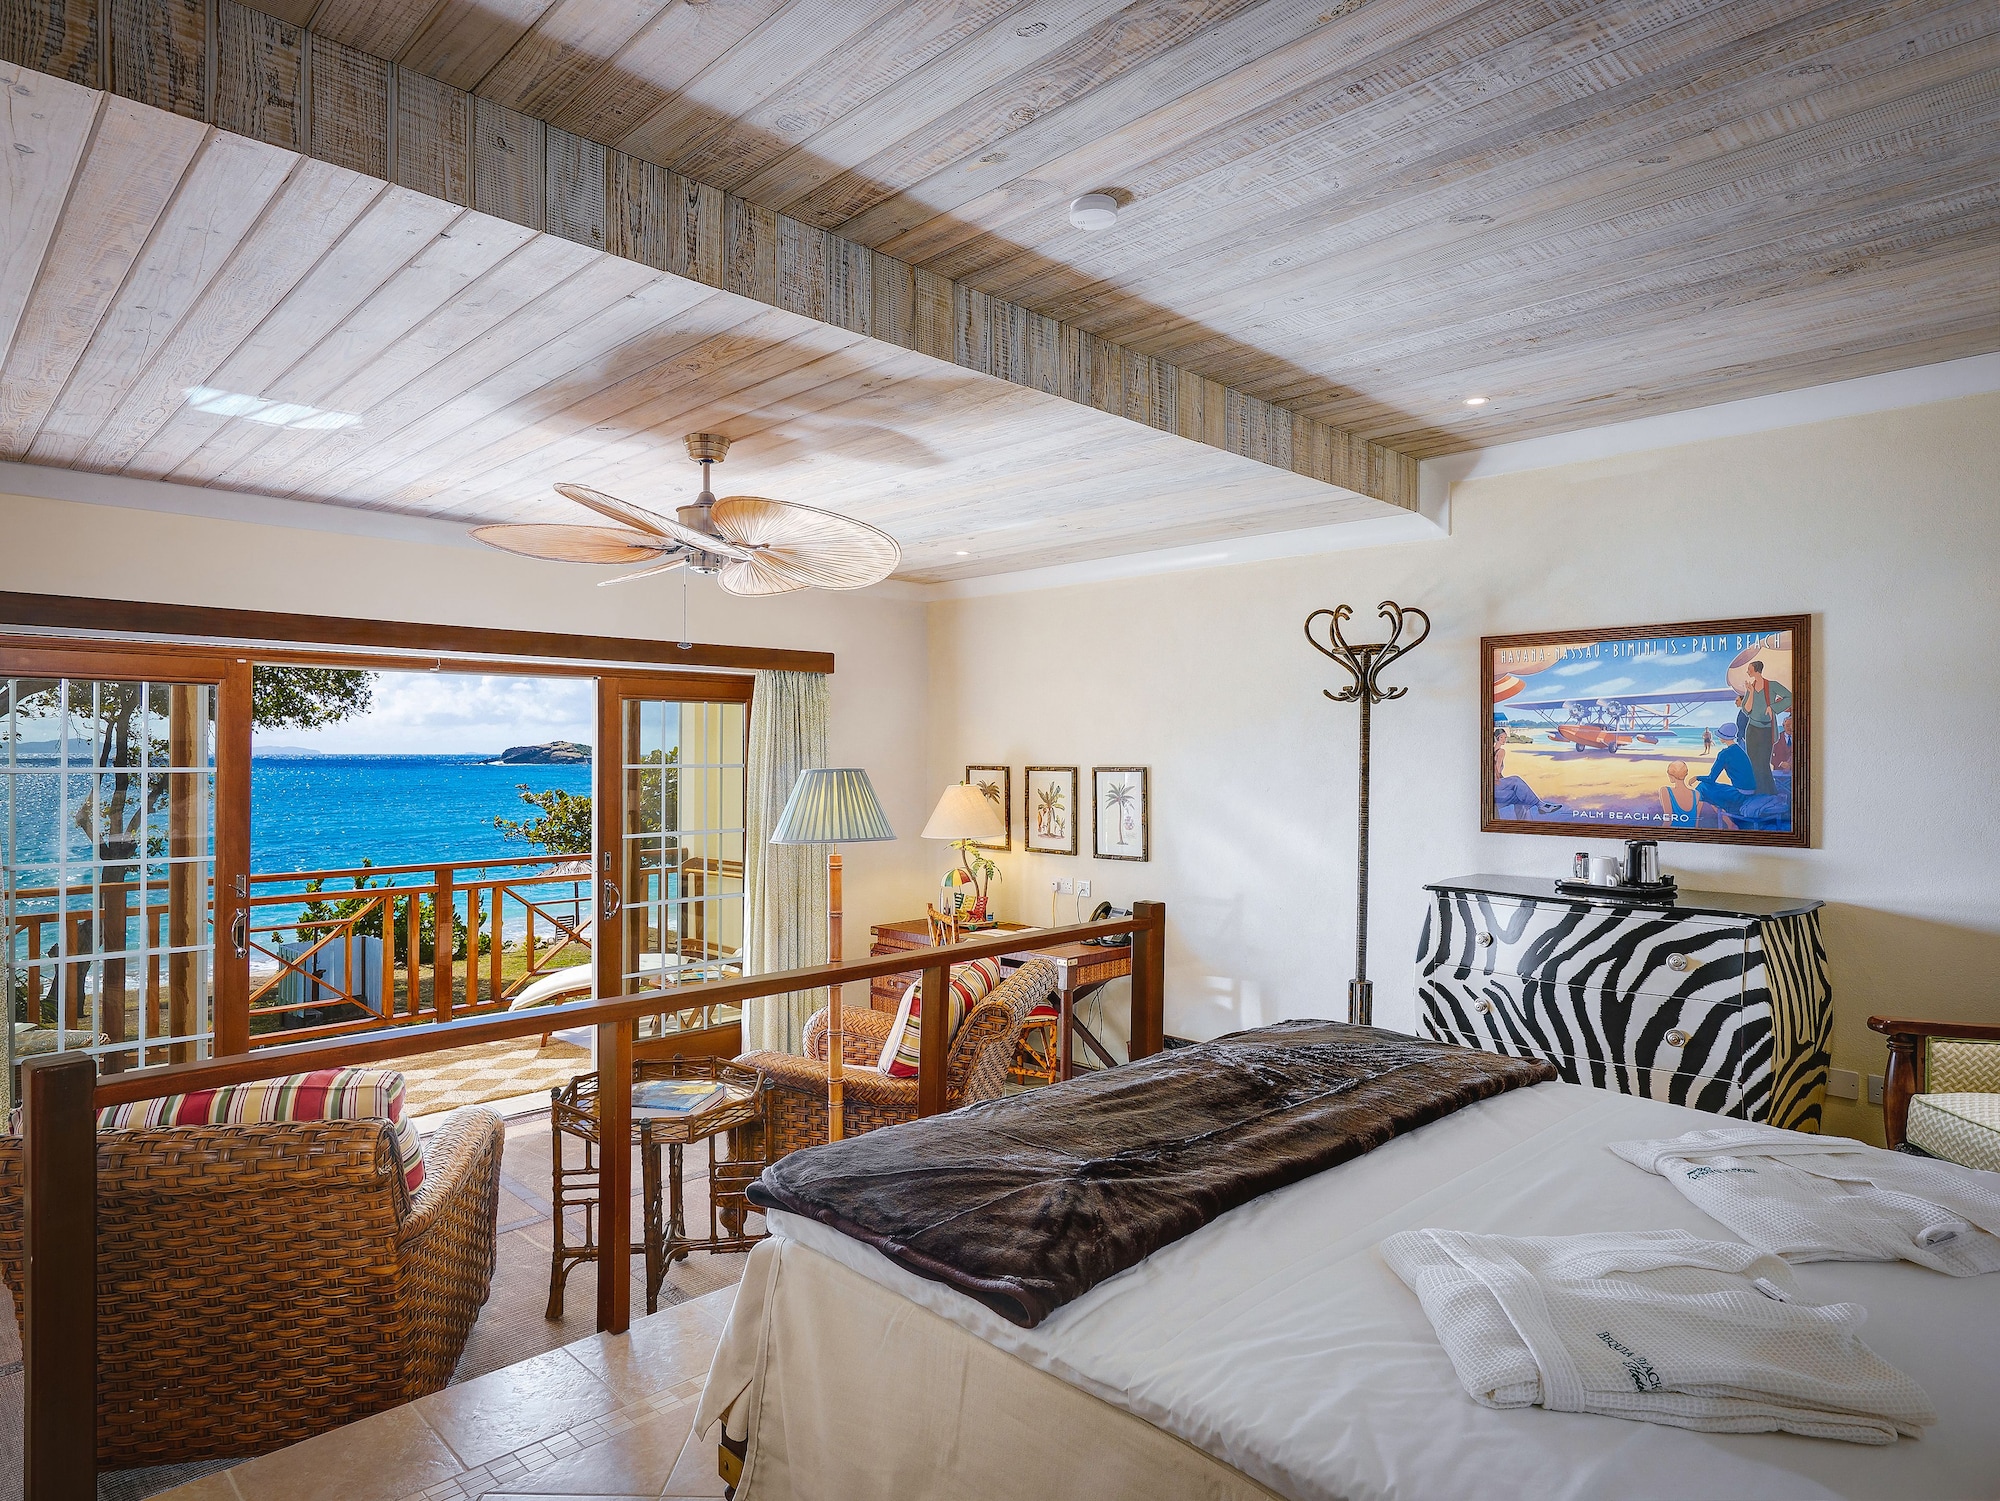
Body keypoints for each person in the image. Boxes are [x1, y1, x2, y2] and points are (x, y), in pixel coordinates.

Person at [1735, 659, 1793, 795]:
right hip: (1752, 730)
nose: (1747, 672)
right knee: (1753, 763)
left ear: (1756, 670)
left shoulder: (1772, 685)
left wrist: (1773, 707)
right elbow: (1746, 710)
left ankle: (1769, 792)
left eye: (1749, 669)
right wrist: (1750, 692)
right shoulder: (1751, 687)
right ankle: (1758, 792)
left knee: (1764, 763)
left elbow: (1789, 697)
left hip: (1766, 730)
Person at [1658, 762, 1699, 829]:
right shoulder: (1696, 794)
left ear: (1671, 775)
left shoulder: (1665, 791)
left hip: (1671, 833)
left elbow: (1668, 819)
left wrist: (1659, 834)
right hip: (1690, 834)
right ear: (1686, 774)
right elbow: (1696, 823)